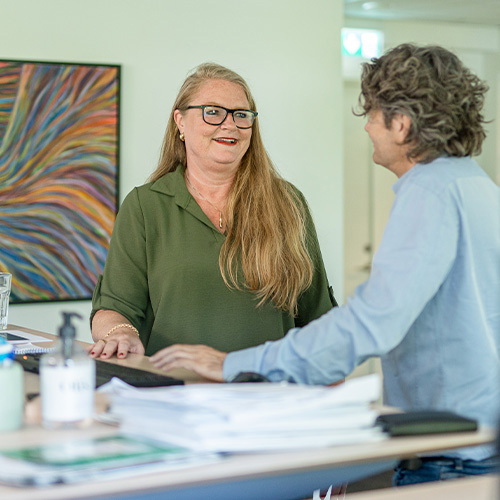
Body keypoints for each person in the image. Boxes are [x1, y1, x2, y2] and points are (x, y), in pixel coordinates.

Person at [152, 45, 500, 486]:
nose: (369, 127)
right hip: (478, 439)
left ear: (402, 124)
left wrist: (231, 364)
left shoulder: (429, 194)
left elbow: (371, 325)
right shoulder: (477, 186)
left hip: (450, 454)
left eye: (372, 114)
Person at [89, 62, 336, 360]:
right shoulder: (145, 206)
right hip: (174, 393)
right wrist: (121, 333)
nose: (229, 125)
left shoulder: (287, 203)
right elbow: (114, 308)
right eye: (213, 112)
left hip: (269, 392)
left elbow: (317, 316)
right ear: (180, 121)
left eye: (241, 115)